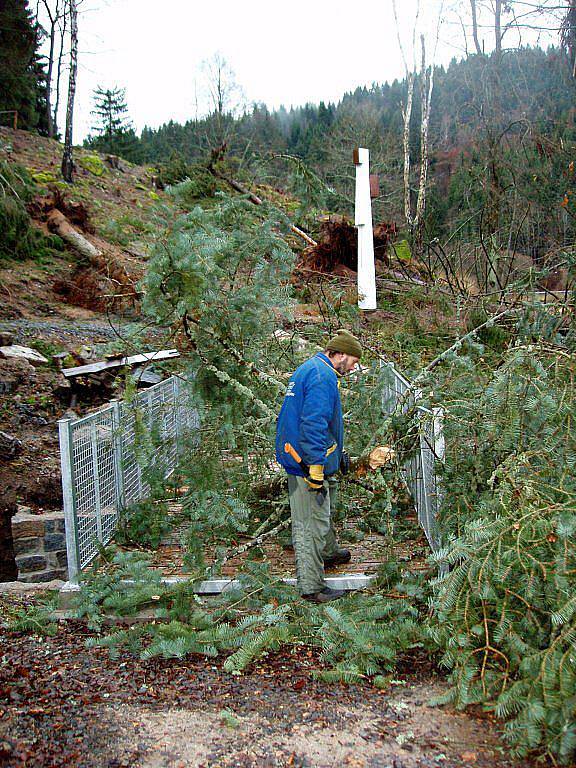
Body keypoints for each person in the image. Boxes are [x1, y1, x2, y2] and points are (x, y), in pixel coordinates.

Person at [275, 329, 362, 603]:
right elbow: (313, 423)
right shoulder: (323, 376)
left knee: (323, 507)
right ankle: (312, 587)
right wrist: (315, 465)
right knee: (310, 522)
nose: (354, 367)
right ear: (342, 354)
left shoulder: (311, 368)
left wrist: (336, 455)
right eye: (354, 361)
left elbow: (320, 421)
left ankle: (328, 552)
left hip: (306, 456)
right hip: (305, 462)